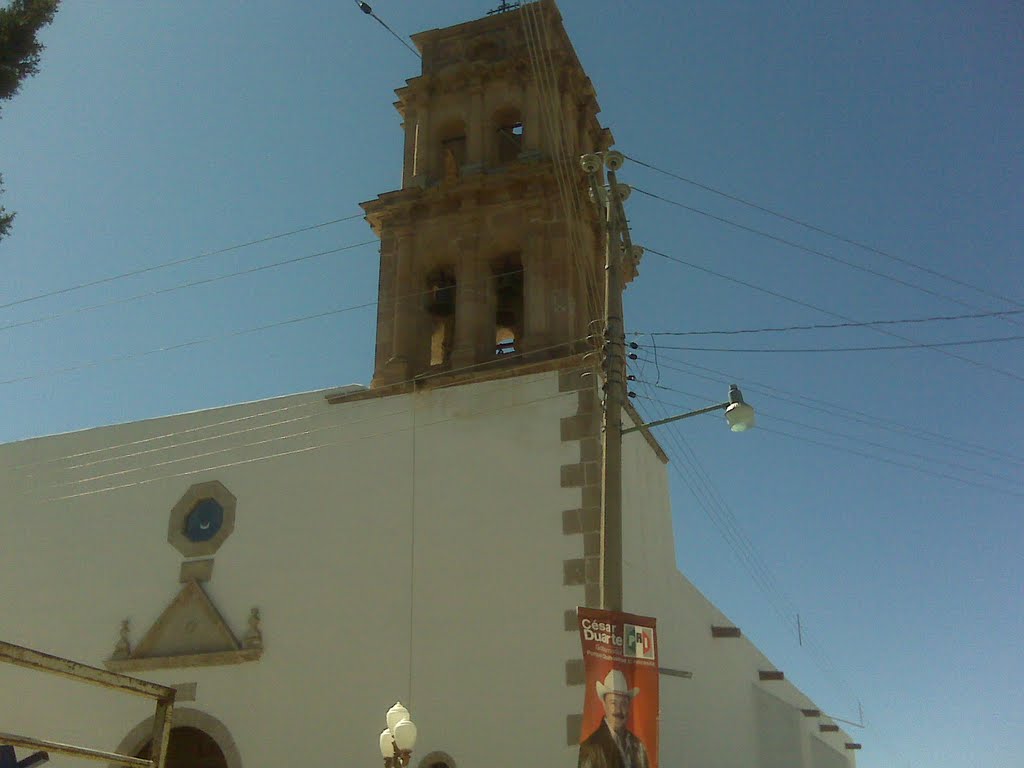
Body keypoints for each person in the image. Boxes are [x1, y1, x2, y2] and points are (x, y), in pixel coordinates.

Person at [578, 669, 651, 768]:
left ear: (629, 706)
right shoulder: (590, 749)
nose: (619, 710)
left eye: (623, 704)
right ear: (604, 704)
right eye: (613, 702)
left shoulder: (638, 746)